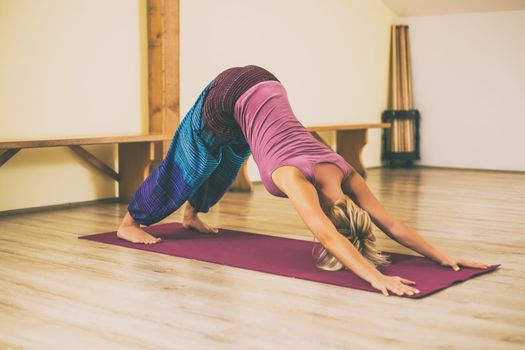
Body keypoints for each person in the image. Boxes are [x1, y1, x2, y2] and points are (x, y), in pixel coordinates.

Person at [117, 65, 489, 297]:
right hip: (228, 92)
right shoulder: (294, 176)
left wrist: (443, 258)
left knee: (228, 163)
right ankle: (130, 222)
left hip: (264, 87)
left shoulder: (345, 172)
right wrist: (375, 277)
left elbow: (390, 223)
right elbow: (329, 235)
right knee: (194, 162)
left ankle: (191, 215)